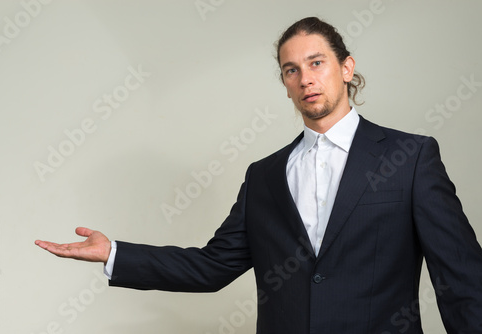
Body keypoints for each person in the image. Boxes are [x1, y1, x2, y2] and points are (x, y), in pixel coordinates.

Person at [35, 17, 482, 333]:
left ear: (346, 68)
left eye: (316, 62)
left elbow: (461, 276)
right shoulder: (264, 176)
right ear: (285, 82)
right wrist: (115, 252)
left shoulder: (411, 156)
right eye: (292, 69)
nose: (305, 78)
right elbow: (212, 267)